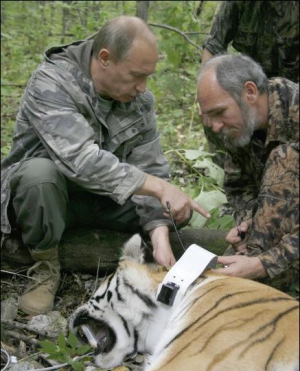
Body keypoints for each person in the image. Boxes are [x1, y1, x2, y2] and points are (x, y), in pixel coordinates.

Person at [1, 16, 210, 316]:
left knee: (176, 208)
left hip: (98, 199)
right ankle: (45, 265)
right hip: (41, 201)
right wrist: (158, 186)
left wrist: (160, 233)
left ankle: (153, 255)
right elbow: (81, 160)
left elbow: (149, 164)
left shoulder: (138, 100)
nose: (142, 87)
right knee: (39, 176)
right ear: (104, 59)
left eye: (148, 77)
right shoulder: (51, 81)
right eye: (136, 76)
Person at [197, 54, 299, 294]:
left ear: (250, 92)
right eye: (208, 116)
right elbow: (239, 186)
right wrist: (246, 224)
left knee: (285, 158)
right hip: (272, 244)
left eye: (219, 112)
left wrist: (263, 264)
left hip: (284, 249)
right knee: (216, 283)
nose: (215, 126)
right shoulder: (237, 126)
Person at [201, 1, 299, 167]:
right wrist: (205, 99)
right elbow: (214, 46)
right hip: (252, 90)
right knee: (217, 116)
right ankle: (226, 177)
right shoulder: (237, 4)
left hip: (293, 96)